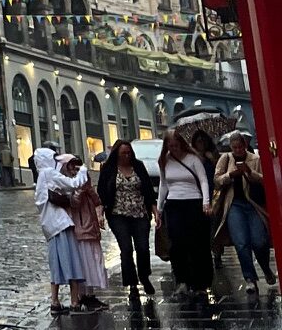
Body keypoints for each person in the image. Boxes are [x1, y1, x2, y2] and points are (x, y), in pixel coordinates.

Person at [97, 139, 156, 301]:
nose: (127, 156)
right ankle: (132, 283)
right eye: (124, 153)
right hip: (118, 214)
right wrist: (100, 213)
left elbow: (149, 190)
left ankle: (144, 276)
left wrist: (155, 211)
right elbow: (101, 193)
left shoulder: (138, 166)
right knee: (126, 249)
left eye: (129, 153)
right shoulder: (109, 169)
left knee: (143, 247)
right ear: (117, 154)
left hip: (140, 213)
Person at [213, 135, 274, 294]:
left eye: (240, 147)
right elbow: (217, 180)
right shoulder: (225, 159)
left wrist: (249, 172)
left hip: (252, 204)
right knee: (241, 242)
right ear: (231, 148)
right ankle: (249, 278)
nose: (238, 150)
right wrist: (230, 175)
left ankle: (265, 268)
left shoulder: (255, 159)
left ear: (245, 145)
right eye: (234, 148)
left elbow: (263, 180)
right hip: (234, 205)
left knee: (259, 240)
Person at [157, 128, 213, 296]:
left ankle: (200, 283)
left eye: (176, 145)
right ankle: (182, 280)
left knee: (197, 244)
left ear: (181, 143)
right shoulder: (164, 161)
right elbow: (163, 184)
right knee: (177, 244)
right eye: (170, 146)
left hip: (193, 203)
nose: (174, 149)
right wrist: (159, 208)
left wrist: (206, 202)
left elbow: (203, 180)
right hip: (174, 204)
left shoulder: (193, 159)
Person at [33, 147, 86, 317]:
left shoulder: (41, 176)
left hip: (50, 227)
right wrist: (83, 170)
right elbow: (74, 183)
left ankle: (54, 301)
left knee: (56, 263)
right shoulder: (49, 173)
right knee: (71, 260)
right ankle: (74, 301)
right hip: (61, 224)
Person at [59, 151, 109, 310]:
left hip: (89, 226)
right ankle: (83, 295)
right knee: (83, 262)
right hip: (79, 228)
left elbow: (96, 200)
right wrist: (80, 188)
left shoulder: (84, 183)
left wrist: (89, 189)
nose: (75, 171)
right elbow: (73, 203)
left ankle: (89, 294)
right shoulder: (66, 184)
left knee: (92, 260)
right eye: (72, 167)